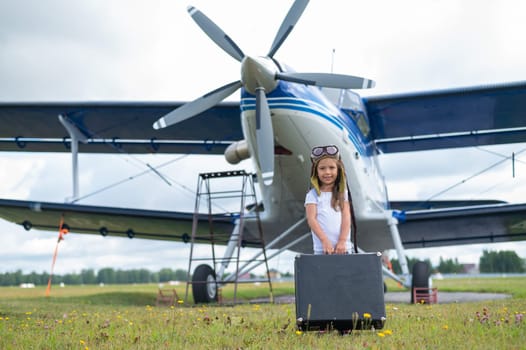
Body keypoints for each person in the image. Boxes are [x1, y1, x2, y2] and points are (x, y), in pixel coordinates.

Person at [304, 145, 352, 255]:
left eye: (332, 168)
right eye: (322, 168)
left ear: (338, 170)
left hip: (343, 249)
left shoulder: (343, 193)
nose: (327, 172)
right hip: (322, 249)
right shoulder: (312, 195)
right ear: (316, 172)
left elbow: (346, 217)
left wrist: (342, 241)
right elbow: (312, 219)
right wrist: (324, 241)